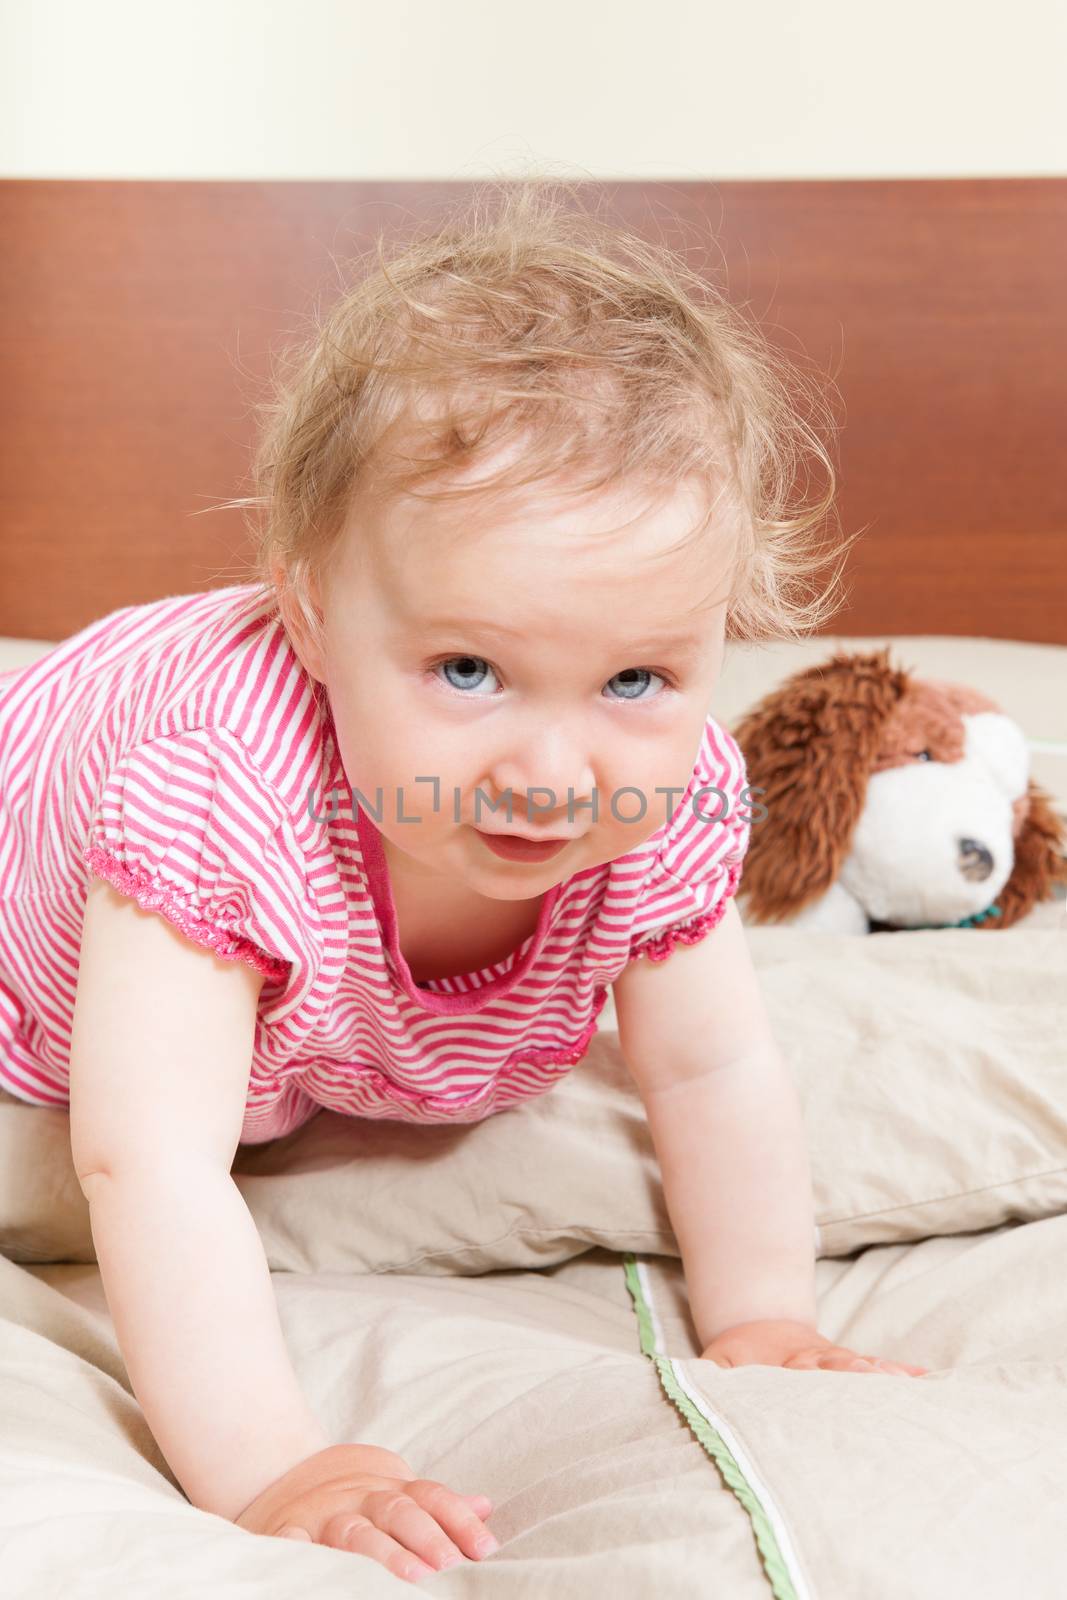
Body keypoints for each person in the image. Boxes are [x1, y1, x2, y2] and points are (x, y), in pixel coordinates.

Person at [0, 179, 926, 1583]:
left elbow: (713, 1070)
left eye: (636, 676)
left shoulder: (664, 797)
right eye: (468, 669)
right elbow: (149, 1155)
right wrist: (273, 1467)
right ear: (311, 611)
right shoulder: (218, 789)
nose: (552, 770)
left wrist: (763, 1319)